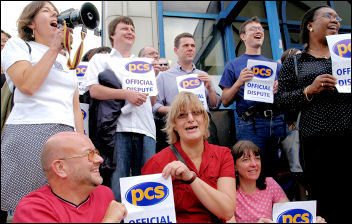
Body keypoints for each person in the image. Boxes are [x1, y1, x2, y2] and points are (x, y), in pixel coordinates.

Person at [1, 1, 84, 217]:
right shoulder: (18, 46)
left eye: (55, 12)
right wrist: (55, 48)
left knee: (61, 201)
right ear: (30, 23)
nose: (54, 14)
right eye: (46, 11)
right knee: (26, 204)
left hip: (65, 136)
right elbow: (28, 85)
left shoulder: (67, 60)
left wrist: (83, 143)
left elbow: (75, 108)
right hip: (29, 131)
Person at [277, 5, 351, 222]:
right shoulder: (295, 63)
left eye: (337, 18)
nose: (335, 20)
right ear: (310, 25)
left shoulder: (347, 57)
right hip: (316, 142)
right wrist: (309, 90)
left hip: (348, 136)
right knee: (324, 199)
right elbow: (282, 101)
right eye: (328, 16)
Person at [85, 16, 156, 202]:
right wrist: (127, 94)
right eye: (125, 28)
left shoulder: (144, 63)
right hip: (117, 129)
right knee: (117, 187)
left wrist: (152, 78)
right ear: (111, 35)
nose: (130, 31)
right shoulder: (101, 59)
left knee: (147, 185)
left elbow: (153, 100)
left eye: (132, 29)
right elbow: (94, 90)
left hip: (145, 128)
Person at [142, 92, 236, 223]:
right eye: (182, 115)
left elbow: (227, 211)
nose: (190, 119)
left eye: (196, 112)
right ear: (174, 125)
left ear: (205, 119)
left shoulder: (223, 155)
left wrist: (191, 178)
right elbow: (147, 215)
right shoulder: (157, 163)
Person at [219, 16, 286, 178]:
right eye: (253, 29)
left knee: (278, 171)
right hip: (250, 124)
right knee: (251, 171)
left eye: (260, 29)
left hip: (275, 121)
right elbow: (225, 100)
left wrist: (279, 89)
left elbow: (285, 98)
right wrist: (239, 82)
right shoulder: (233, 65)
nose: (258, 31)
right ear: (243, 37)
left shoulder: (275, 65)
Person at [12, 132, 127, 223]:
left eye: (96, 153)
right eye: (89, 154)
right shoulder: (33, 210)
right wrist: (110, 220)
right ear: (60, 168)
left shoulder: (104, 194)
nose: (100, 160)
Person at [153, 32, 221, 152]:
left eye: (192, 46)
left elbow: (215, 105)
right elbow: (155, 106)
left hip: (204, 126)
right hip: (177, 129)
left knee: (210, 164)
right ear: (176, 50)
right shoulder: (163, 77)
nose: (190, 48)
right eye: (185, 46)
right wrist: (178, 110)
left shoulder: (203, 75)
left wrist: (210, 89)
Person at [228, 140, 325, 223]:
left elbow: (290, 213)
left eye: (257, 159)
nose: (254, 164)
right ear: (235, 166)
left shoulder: (269, 183)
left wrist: (313, 220)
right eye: (246, 160)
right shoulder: (230, 191)